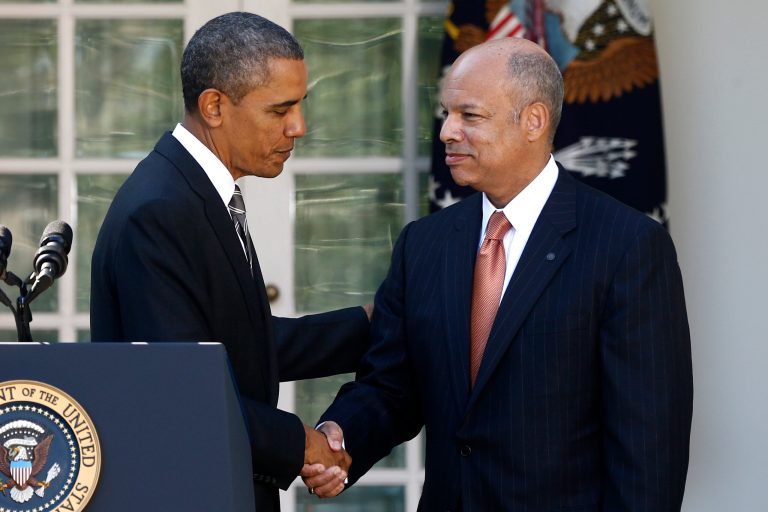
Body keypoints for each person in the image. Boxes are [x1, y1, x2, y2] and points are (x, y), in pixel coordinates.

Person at [303, 37, 693, 510]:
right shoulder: (423, 244)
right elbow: (392, 384)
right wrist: (339, 435)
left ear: (533, 120)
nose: (447, 131)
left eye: (469, 116)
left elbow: (648, 446)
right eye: (446, 114)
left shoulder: (627, 246)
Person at [90, 12, 364, 511]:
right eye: (280, 110)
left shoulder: (193, 193)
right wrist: (300, 441)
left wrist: (370, 325)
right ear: (214, 106)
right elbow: (177, 389)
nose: (299, 127)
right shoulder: (161, 210)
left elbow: (240, 344)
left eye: (299, 106)